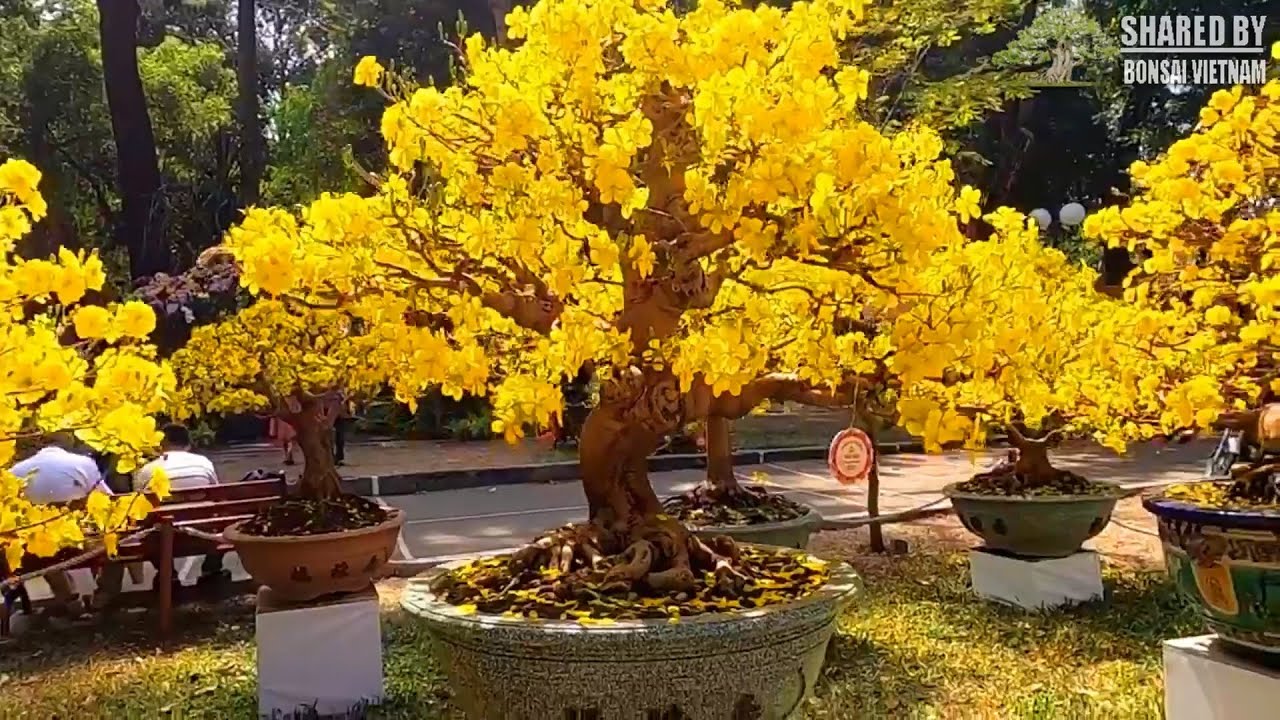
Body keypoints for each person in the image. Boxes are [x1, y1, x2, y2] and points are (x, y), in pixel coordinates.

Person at [93, 424, 228, 606]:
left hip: (162, 537)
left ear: (160, 444)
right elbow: (216, 497)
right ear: (188, 444)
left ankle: (168, 574)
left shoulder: (147, 470)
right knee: (221, 518)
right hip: (203, 531)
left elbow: (140, 509)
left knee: (150, 523)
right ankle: (212, 569)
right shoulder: (203, 462)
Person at [7, 434, 111, 616]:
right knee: (113, 539)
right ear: (65, 443)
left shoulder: (16, 471)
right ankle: (104, 595)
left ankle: (69, 600)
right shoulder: (83, 463)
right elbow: (107, 500)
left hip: (37, 550)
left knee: (41, 544)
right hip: (83, 544)